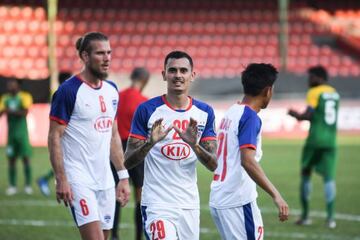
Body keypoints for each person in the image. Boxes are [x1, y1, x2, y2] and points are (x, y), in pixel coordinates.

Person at [125, 50, 217, 240]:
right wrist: (150, 144)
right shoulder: (147, 110)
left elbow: (214, 165)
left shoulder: (205, 112)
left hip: (189, 205)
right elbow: (127, 161)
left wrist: (195, 146)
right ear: (164, 74)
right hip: (157, 204)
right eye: (172, 70)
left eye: (183, 71)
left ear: (192, 75)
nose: (178, 75)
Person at [48, 32, 130, 240]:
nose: (107, 58)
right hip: (79, 179)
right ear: (85, 56)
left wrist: (122, 176)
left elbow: (113, 136)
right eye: (100, 53)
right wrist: (61, 179)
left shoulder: (112, 90)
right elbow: (54, 137)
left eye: (109, 53)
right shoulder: (68, 91)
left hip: (105, 181)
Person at [209, 63, 289, 239]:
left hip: (219, 197)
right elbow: (248, 160)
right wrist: (276, 195)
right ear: (268, 90)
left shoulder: (232, 111)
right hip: (237, 201)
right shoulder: (250, 117)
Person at [288, 65, 339, 229]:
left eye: (311, 77)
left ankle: (305, 216)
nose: (309, 80)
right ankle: (331, 219)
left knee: (305, 173)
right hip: (331, 141)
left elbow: (308, 115)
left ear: (319, 77)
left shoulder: (314, 92)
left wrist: (295, 115)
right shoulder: (334, 93)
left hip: (315, 140)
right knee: (329, 178)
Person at [111, 67, 150, 240]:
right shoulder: (144, 102)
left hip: (117, 149)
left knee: (116, 194)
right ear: (145, 81)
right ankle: (138, 237)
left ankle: (113, 235)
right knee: (140, 197)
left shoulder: (117, 96)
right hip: (137, 149)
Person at [37, 72, 72, 197]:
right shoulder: (62, 95)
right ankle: (45, 180)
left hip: (65, 132)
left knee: (67, 162)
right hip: (64, 134)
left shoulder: (63, 93)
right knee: (66, 162)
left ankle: (45, 179)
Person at [0, 78, 33, 195]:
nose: (10, 87)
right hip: (11, 135)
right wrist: (6, 111)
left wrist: (9, 110)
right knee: (11, 160)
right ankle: (12, 186)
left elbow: (24, 112)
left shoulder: (25, 96)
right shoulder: (5, 98)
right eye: (9, 84)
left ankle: (28, 185)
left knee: (26, 159)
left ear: (18, 85)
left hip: (23, 134)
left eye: (12, 84)